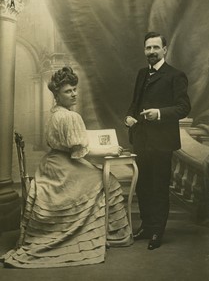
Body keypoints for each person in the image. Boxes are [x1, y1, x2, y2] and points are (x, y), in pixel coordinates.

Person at [2, 66, 132, 268]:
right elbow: (81, 152)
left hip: (51, 165)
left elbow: (70, 145)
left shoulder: (55, 113)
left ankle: (98, 230)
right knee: (108, 180)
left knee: (98, 177)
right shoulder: (71, 117)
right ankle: (111, 234)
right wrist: (113, 150)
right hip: (64, 167)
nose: (73, 94)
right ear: (57, 94)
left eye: (74, 89)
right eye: (68, 91)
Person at [125, 32, 191, 250]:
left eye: (155, 48)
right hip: (141, 140)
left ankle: (157, 232)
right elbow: (135, 102)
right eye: (148, 48)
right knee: (143, 186)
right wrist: (130, 116)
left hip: (162, 141)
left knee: (159, 187)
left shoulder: (175, 75)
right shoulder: (142, 73)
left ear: (165, 50)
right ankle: (146, 225)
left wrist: (160, 113)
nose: (151, 52)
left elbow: (183, 108)